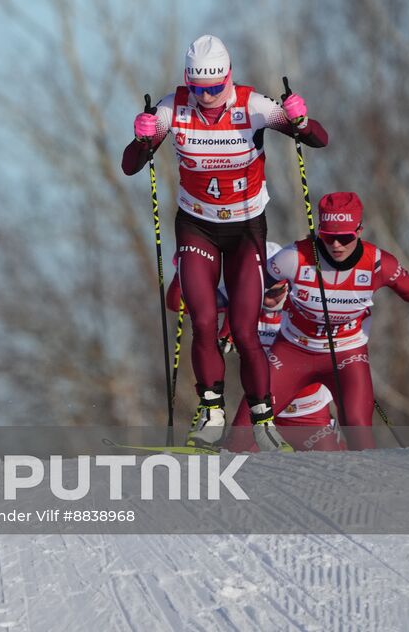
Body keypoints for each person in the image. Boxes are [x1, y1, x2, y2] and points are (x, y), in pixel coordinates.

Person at [123, 34, 329, 451]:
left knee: (243, 329)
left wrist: (300, 120)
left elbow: (316, 139)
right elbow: (131, 165)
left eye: (215, 87)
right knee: (201, 320)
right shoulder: (172, 107)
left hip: (246, 229)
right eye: (199, 88)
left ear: (228, 78)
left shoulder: (253, 105)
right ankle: (212, 409)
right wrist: (143, 139)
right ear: (188, 82)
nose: (208, 96)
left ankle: (261, 416)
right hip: (196, 226)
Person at [233, 191, 409, 450]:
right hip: (293, 350)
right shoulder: (293, 257)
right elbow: (251, 288)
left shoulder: (377, 263)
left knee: (357, 425)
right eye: (328, 237)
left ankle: (368, 486)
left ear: (359, 230)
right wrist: (242, 316)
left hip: (346, 355)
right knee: (243, 429)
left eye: (344, 237)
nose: (336, 245)